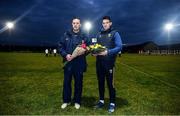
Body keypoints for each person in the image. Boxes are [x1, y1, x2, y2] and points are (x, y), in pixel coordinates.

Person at [58, 17, 90, 110]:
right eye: (74, 23)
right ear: (72, 24)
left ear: (80, 25)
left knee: (78, 83)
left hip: (79, 64)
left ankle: (77, 101)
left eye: (77, 23)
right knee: (66, 83)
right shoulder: (66, 35)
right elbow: (60, 47)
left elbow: (88, 48)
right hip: (68, 63)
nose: (75, 25)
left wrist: (84, 51)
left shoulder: (84, 36)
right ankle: (66, 101)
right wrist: (65, 55)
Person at [93, 16, 122, 113]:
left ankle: (112, 103)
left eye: (106, 22)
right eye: (103, 23)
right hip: (99, 64)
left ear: (110, 23)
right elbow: (96, 47)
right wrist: (94, 52)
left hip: (109, 64)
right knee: (100, 83)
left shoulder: (115, 33)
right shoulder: (99, 34)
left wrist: (108, 52)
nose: (105, 24)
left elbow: (119, 47)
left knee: (110, 84)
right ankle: (101, 101)